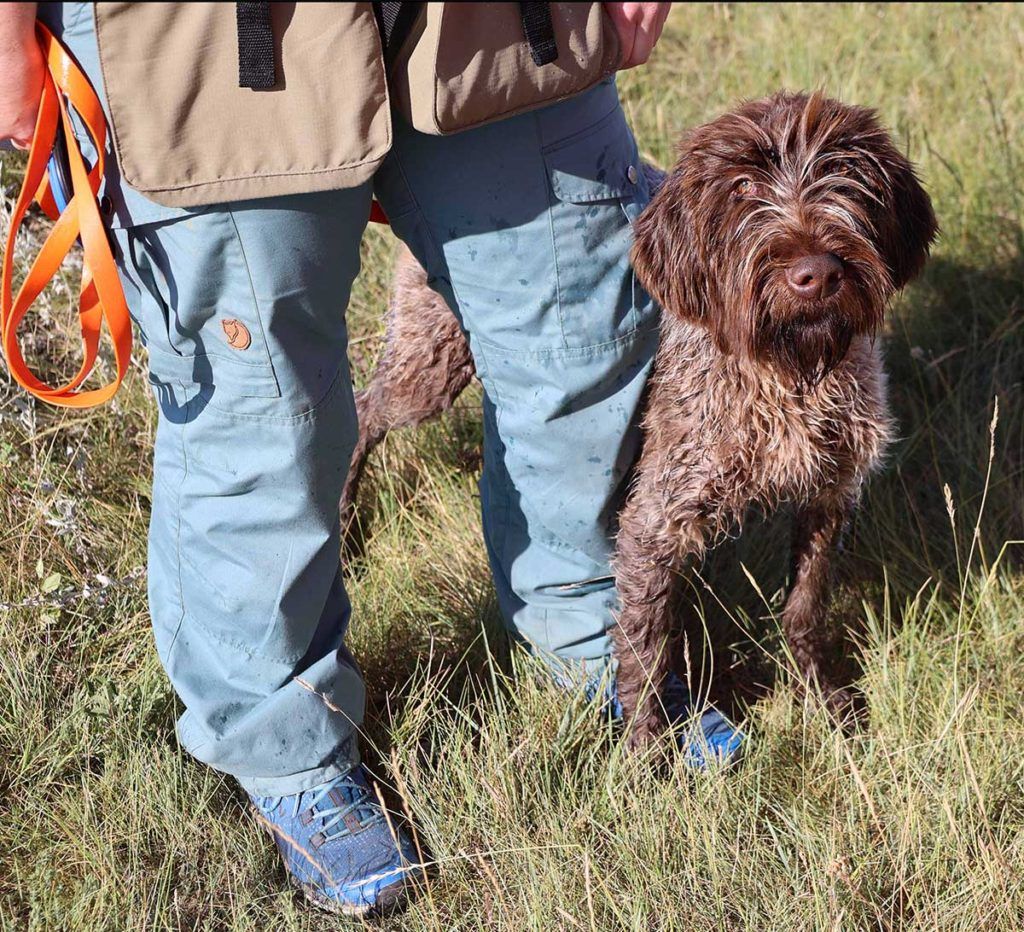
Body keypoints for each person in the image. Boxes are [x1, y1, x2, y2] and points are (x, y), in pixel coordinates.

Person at [1, 1, 739, 916]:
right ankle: (287, 747)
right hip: (202, 32)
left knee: (582, 337)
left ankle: (600, 637)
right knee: (263, 414)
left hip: (504, 21)